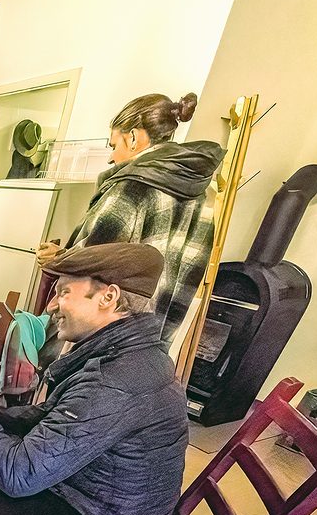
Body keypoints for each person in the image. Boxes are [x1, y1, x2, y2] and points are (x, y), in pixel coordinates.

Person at [0, 243, 188, 515]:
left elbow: (18, 475)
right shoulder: (132, 354)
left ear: (108, 297)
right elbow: (51, 416)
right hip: (89, 505)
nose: (51, 305)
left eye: (63, 292)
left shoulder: (116, 379)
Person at [36, 93, 225, 344]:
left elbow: (93, 261)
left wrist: (59, 258)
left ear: (135, 138)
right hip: (150, 335)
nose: (111, 158)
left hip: (103, 330)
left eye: (114, 145)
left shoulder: (130, 187)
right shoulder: (203, 193)